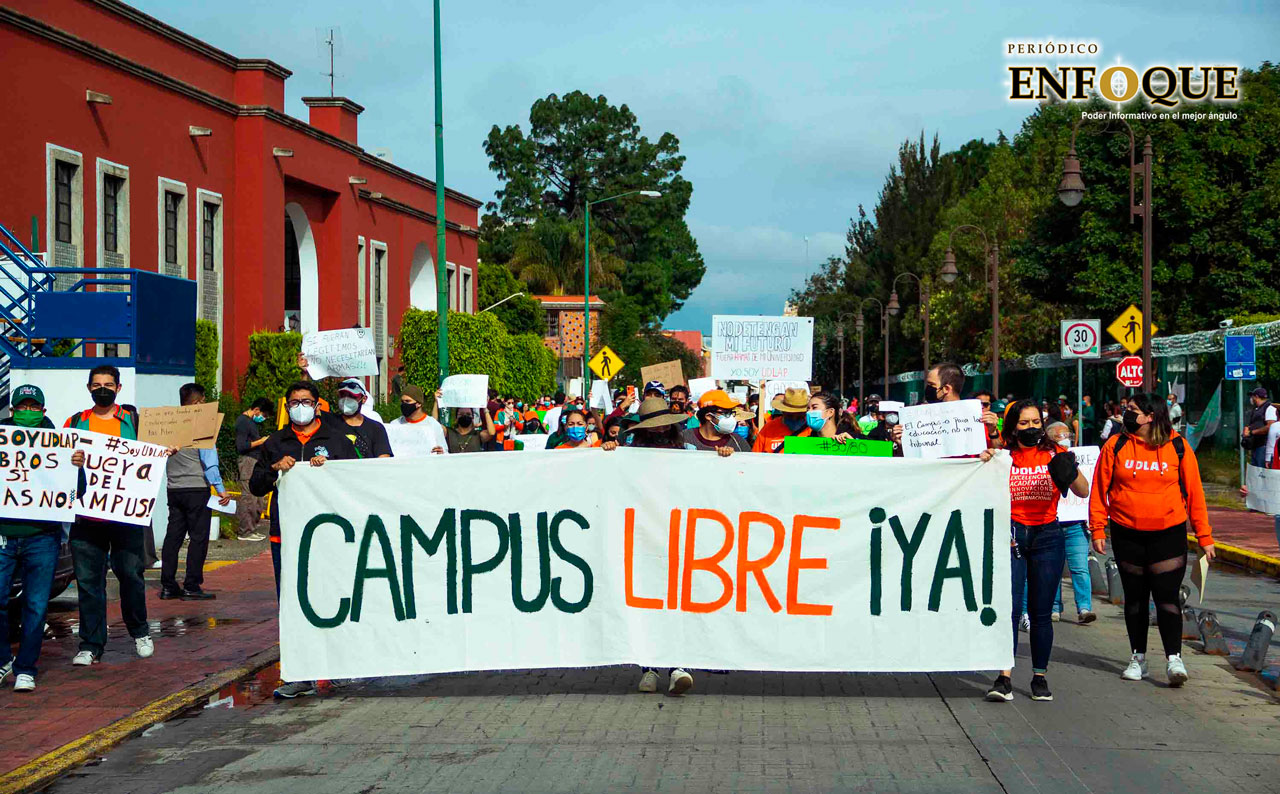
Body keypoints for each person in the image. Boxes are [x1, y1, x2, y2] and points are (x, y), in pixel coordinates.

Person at [1089, 392, 1214, 687]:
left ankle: (1174, 658)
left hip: (1168, 533)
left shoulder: (1178, 446)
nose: (1126, 413)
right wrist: (1097, 528)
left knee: (1167, 597)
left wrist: (1204, 536)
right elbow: (1099, 488)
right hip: (1126, 532)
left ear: (1150, 416)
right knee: (1135, 599)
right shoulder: (1115, 445)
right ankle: (1138, 658)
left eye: (1132, 409)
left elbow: (1195, 493)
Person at [249, 381, 359, 699]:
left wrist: (330, 470)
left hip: (329, 537)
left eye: (306, 401)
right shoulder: (275, 442)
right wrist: (274, 469)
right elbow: (256, 486)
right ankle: (300, 673)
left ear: (317, 405)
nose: (300, 407)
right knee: (292, 604)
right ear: (287, 407)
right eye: (294, 402)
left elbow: (356, 479)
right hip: (286, 537)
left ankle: (338, 667)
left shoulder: (336, 440)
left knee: (332, 598)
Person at [986, 399, 1089, 704]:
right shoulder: (1003, 456)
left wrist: (1069, 470)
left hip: (1048, 536)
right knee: (1009, 608)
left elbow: (1083, 490)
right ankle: (1004, 677)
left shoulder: (1055, 453)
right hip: (1012, 535)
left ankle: (1039, 677)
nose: (1031, 428)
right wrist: (987, 457)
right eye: (1024, 423)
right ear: (1013, 427)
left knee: (1041, 612)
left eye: (1035, 422)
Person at [601, 398, 695, 694]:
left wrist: (723, 456)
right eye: (654, 426)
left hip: (679, 534)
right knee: (646, 601)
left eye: (664, 425)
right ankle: (649, 667)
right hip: (641, 536)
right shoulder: (629, 455)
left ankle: (678, 666)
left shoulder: (689, 453)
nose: (661, 430)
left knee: (678, 601)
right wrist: (609, 453)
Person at [64, 365, 155, 665]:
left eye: (108, 384)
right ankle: (91, 644)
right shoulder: (75, 422)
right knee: (89, 583)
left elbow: (152, 454)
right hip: (86, 517)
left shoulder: (133, 421)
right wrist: (71, 460)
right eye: (97, 385)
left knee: (131, 575)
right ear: (88, 388)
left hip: (125, 517)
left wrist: (165, 452)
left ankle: (139, 631)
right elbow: (61, 461)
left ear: (118, 388)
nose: (102, 389)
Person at [0, 385, 85, 691]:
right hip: (4, 537)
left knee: (36, 605)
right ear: (12, 411)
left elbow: (78, 491)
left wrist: (76, 468)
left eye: (34, 407)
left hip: (43, 538)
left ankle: (26, 668)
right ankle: (3, 660)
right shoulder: (2, 439)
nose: (28, 412)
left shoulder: (61, 444)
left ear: (43, 411)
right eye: (23, 407)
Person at [160, 383, 230, 601]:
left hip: (174, 488)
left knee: (173, 537)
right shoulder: (201, 425)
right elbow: (209, 462)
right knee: (198, 537)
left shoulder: (168, 425)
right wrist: (220, 489)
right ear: (198, 402)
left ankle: (168, 585)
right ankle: (191, 585)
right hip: (197, 488)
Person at [1043, 421, 1096, 625]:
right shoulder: (1043, 460)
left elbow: (1087, 490)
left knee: (1080, 568)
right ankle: (1054, 608)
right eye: (1060, 436)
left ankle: (1084, 608)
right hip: (1052, 523)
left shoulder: (1079, 459)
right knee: (1053, 569)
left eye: (1068, 435)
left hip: (1075, 524)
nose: (1065, 440)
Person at [234, 398, 273, 541]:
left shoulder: (250, 422)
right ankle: (245, 531)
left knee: (257, 496)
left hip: (255, 461)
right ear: (256, 410)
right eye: (264, 415)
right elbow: (241, 446)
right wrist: (261, 441)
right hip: (248, 461)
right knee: (249, 497)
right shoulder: (243, 422)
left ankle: (252, 528)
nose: (264, 418)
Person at [336, 379, 392, 459]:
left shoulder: (376, 428)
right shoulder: (330, 424)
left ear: (364, 399)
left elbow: (383, 457)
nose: (346, 400)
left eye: (352, 396)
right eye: (343, 395)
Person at [683, 390, 751, 455]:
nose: (730, 417)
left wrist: (731, 457)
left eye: (730, 413)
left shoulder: (738, 442)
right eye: (725, 413)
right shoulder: (685, 438)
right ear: (709, 416)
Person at [752, 387, 812, 453]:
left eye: (800, 416)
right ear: (783, 411)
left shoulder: (812, 429)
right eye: (790, 415)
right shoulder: (769, 428)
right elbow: (755, 455)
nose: (794, 418)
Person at [391, 385, 447, 455]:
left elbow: (445, 451)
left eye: (407, 401)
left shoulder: (433, 425)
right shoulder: (395, 424)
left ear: (419, 404)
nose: (404, 404)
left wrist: (441, 452)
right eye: (402, 402)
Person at [1242, 387, 1276, 468]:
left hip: (1263, 446)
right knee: (1256, 470)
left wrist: (1252, 432)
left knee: (1261, 470)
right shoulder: (1257, 409)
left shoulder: (1269, 408)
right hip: (1256, 445)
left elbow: (1270, 427)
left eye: (1252, 396)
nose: (1251, 399)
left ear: (1256, 397)